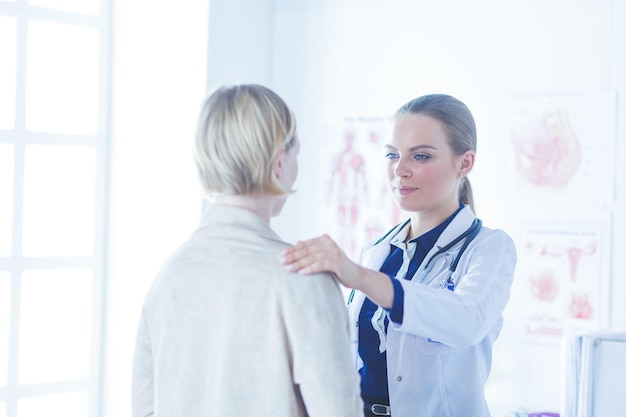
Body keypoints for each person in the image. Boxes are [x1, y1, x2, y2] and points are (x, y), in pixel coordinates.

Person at [131, 84, 363, 417]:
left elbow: (145, 409)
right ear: (279, 161)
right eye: (297, 151)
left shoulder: (169, 275)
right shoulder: (303, 278)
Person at [282, 93, 517, 417]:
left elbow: (467, 320)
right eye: (392, 155)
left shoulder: (489, 248)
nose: (399, 170)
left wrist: (360, 277)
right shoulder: (377, 251)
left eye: (420, 157)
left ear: (464, 163)